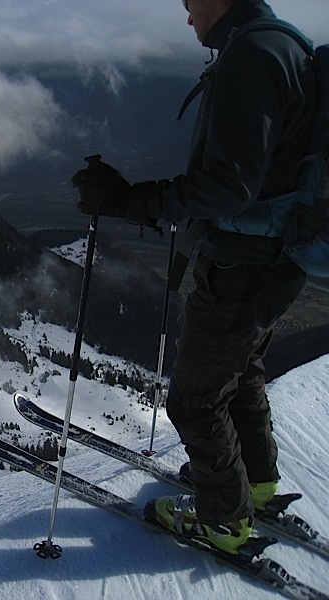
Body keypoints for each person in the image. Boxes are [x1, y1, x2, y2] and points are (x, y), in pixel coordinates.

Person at [72, 0, 318, 554]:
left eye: (188, 4)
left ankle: (225, 521)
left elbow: (229, 187)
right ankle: (256, 485)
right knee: (241, 372)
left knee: (195, 399)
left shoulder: (250, 55)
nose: (186, 18)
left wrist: (132, 200)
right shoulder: (279, 42)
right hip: (276, 257)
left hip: (242, 261)